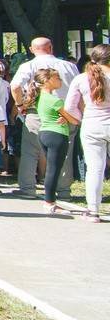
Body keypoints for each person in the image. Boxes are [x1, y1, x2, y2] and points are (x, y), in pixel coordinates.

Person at [10, 37, 79, 199]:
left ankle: (27, 188)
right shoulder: (69, 66)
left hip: (37, 111)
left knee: (30, 151)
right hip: (65, 112)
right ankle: (63, 191)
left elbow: (15, 86)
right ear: (51, 48)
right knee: (65, 152)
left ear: (31, 49)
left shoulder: (28, 66)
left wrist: (20, 105)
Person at [64, 43, 110, 222]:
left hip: (92, 124)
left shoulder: (81, 79)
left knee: (94, 169)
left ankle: (93, 210)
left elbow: (69, 107)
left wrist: (80, 119)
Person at [32, 68, 79, 215]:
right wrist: (70, 119)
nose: (60, 80)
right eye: (57, 77)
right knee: (53, 170)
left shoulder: (40, 98)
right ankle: (50, 202)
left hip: (44, 133)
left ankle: (50, 201)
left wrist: (65, 118)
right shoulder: (55, 100)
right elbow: (74, 120)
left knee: (51, 169)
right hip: (57, 135)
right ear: (47, 81)